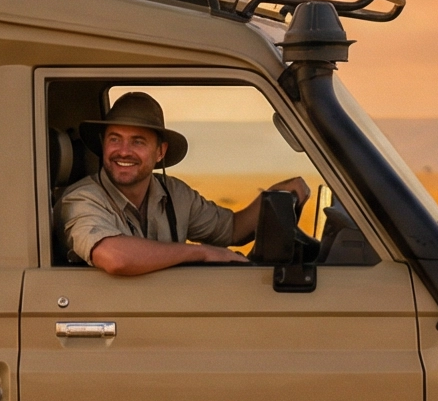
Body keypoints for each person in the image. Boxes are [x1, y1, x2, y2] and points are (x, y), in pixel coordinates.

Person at [59, 91, 310, 277]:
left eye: (138, 142)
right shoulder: (82, 199)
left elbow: (231, 229)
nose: (123, 152)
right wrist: (200, 253)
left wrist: (277, 194)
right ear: (104, 144)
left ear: (160, 152)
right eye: (115, 139)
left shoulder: (174, 192)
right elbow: (114, 257)